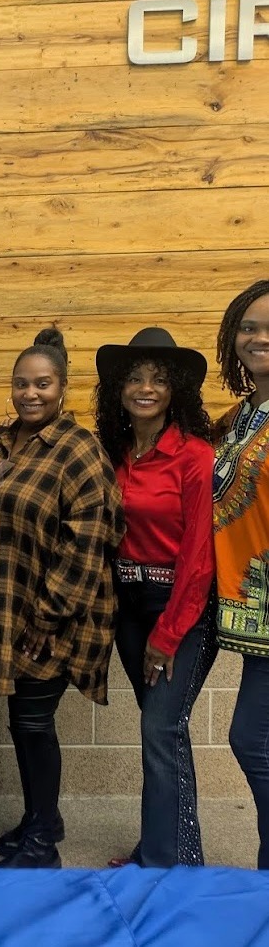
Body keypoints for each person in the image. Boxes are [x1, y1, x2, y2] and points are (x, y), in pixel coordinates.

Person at [0, 328, 123, 869]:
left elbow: (90, 540)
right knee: (24, 719)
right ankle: (43, 816)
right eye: (21, 384)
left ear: (63, 388)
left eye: (43, 384)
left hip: (57, 617)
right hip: (8, 608)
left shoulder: (79, 449)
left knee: (33, 722)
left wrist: (49, 614)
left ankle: (43, 846)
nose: (30, 394)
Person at [93, 327, 217, 868]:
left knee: (158, 729)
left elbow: (198, 559)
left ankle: (164, 866)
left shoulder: (194, 457)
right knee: (164, 734)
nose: (146, 388)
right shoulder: (115, 455)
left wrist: (167, 636)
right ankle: (173, 851)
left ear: (175, 393)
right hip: (130, 608)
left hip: (181, 612)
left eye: (159, 381)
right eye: (135, 378)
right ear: (118, 388)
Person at [212, 279, 269, 870]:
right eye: (249, 326)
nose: (260, 337)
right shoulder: (237, 419)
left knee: (252, 740)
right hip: (254, 606)